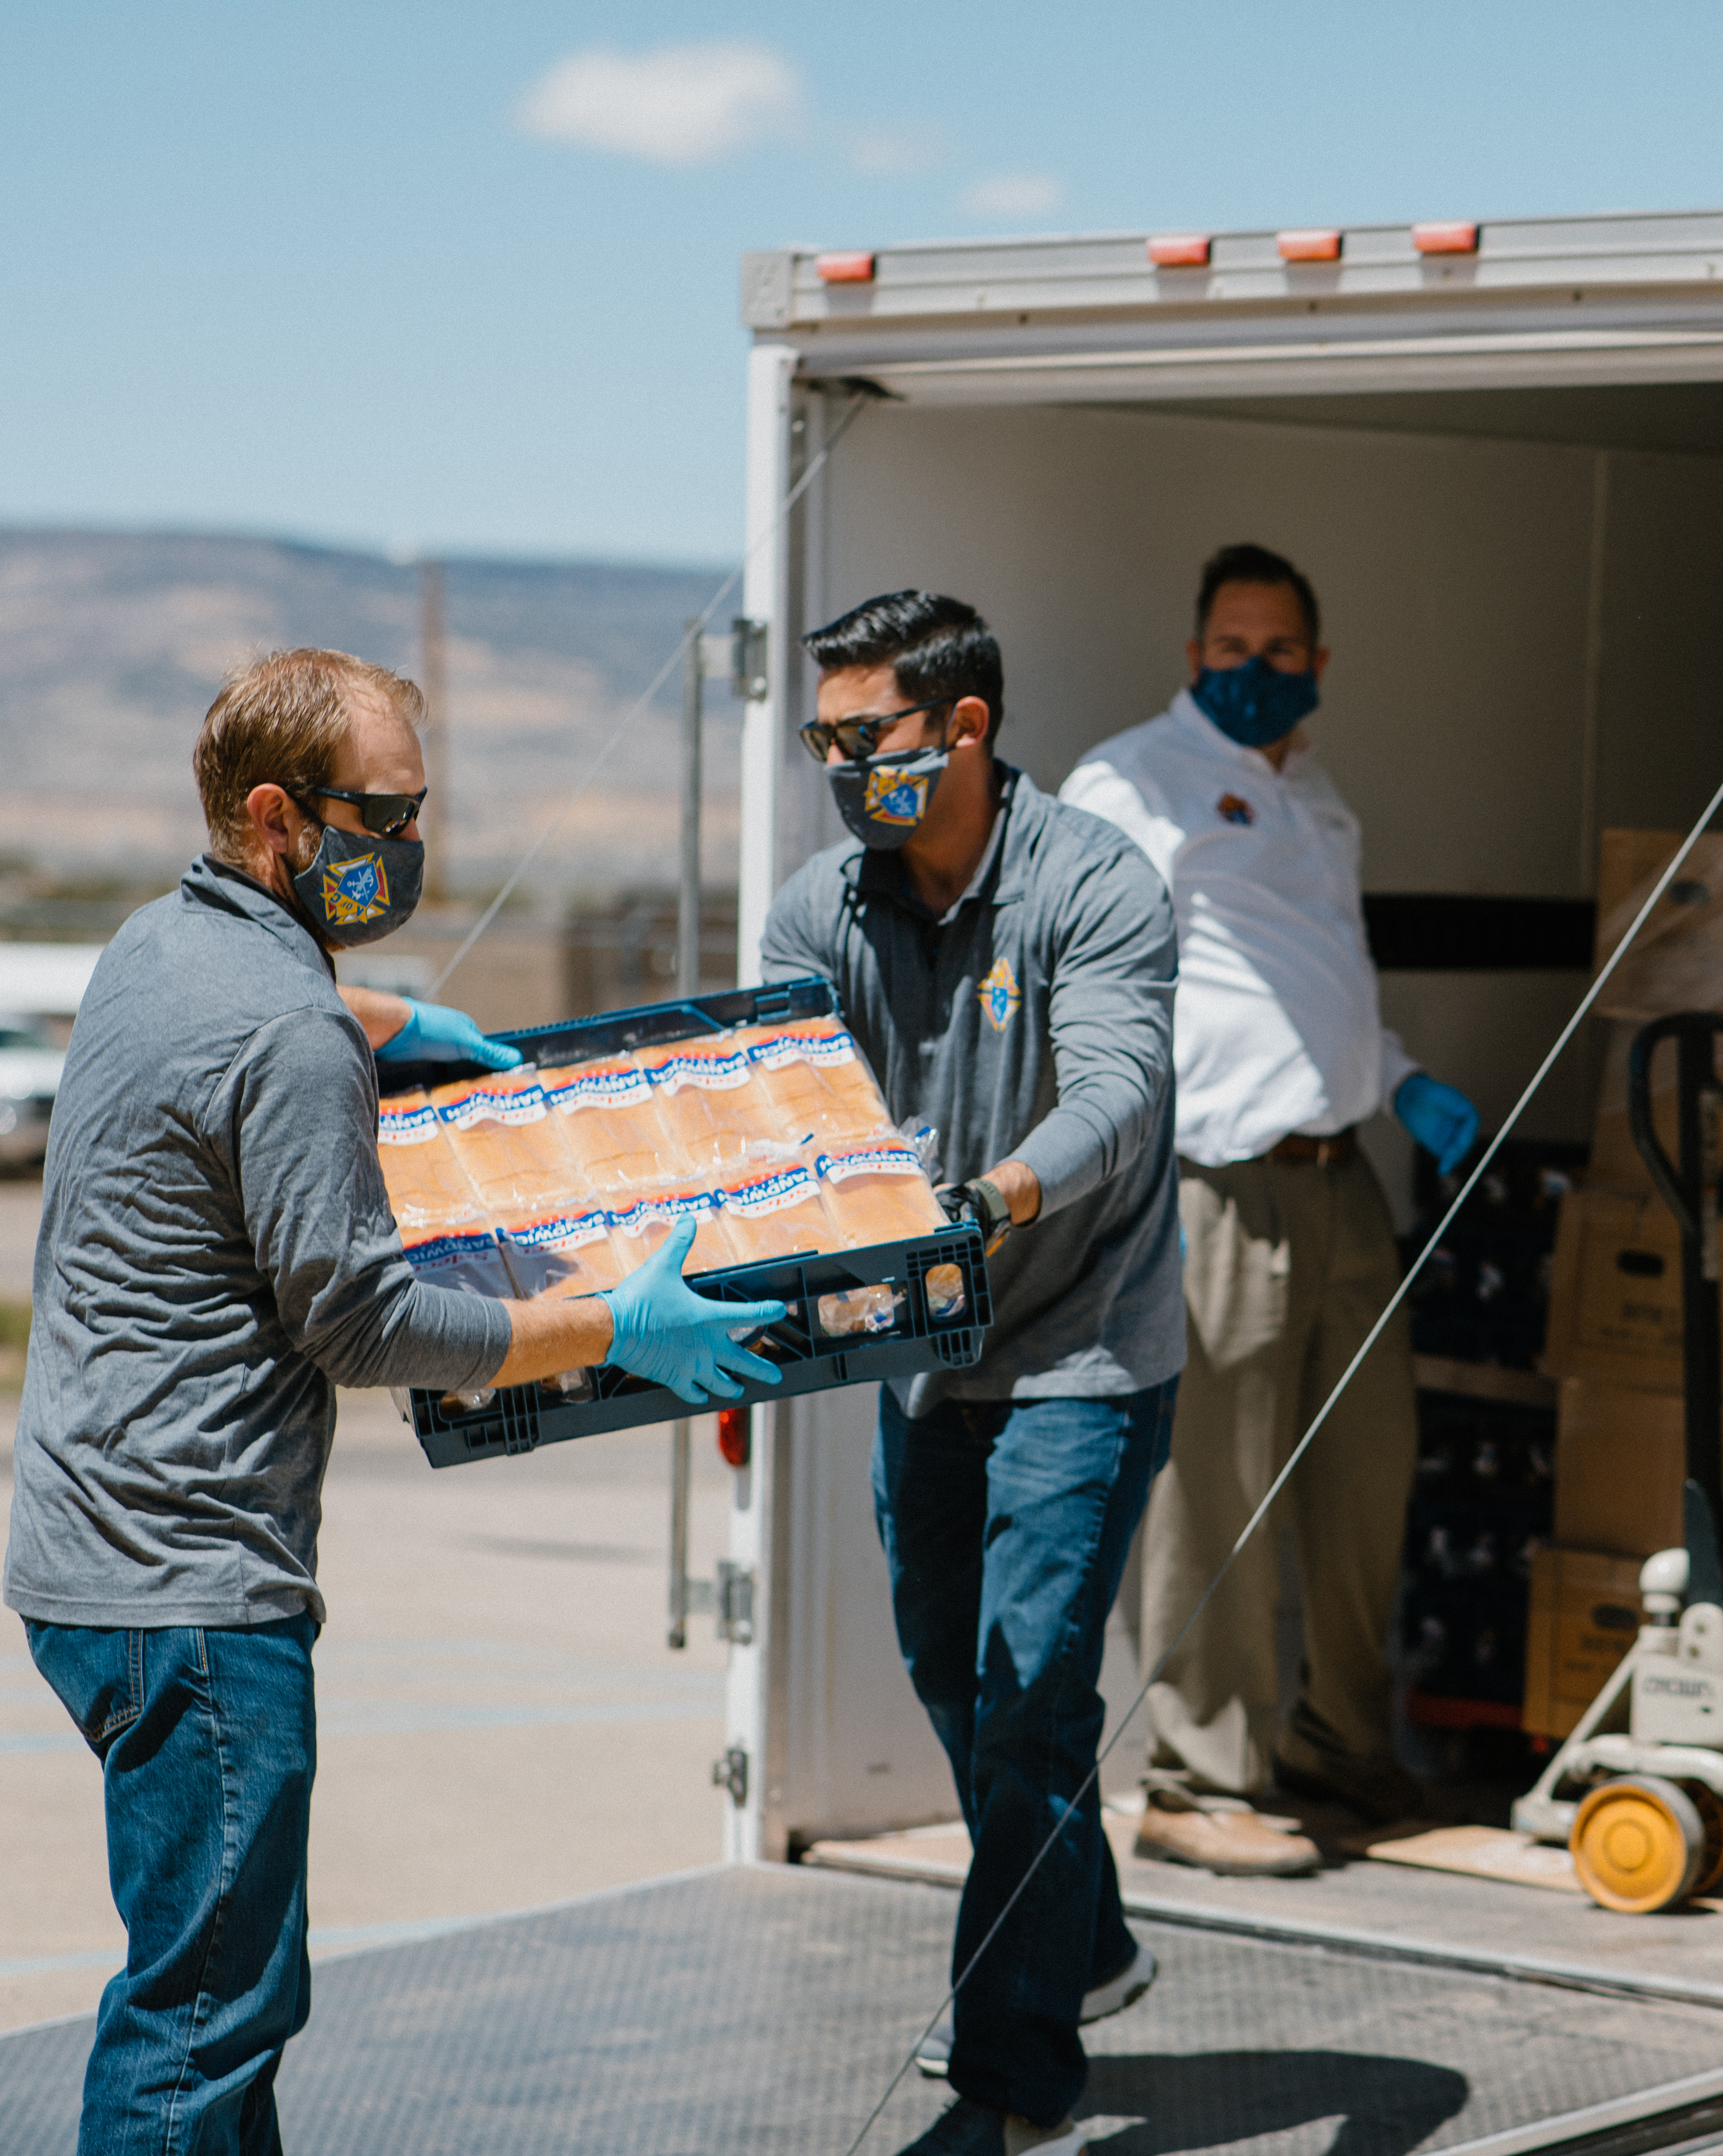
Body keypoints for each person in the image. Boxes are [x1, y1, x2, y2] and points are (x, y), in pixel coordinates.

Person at [4, 647, 783, 2156]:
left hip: (86, 1560)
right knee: (202, 2025)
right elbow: (363, 1323)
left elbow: (253, 1037)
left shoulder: (155, 946)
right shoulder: (287, 1030)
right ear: (282, 819)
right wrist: (610, 1321)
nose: (414, 848)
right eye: (388, 816)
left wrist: (379, 1020)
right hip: (196, 1595)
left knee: (221, 1997)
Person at [760, 591, 1183, 2156]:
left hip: (1082, 1351)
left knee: (1026, 1695)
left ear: (966, 730)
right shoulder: (821, 909)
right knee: (959, 1677)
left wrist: (999, 1195)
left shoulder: (1095, 883)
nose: (841, 767)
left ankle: (1010, 2089)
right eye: (825, 739)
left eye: (864, 738)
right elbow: (783, 1110)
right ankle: (1094, 1938)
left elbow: (1124, 1090)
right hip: (922, 1360)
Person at [1063, 543, 1481, 1879]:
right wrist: (1128, 1185)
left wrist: (1402, 1082)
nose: (1256, 671)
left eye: (1280, 651)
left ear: (1319, 664)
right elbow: (1090, 989)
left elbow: (1312, 985)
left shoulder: (1318, 801)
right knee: (1212, 1492)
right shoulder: (1135, 784)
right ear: (1193, 659)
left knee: (1367, 1479)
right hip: (1213, 1185)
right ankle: (1198, 1776)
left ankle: (1336, 1748)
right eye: (1231, 649)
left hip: (1340, 1180)